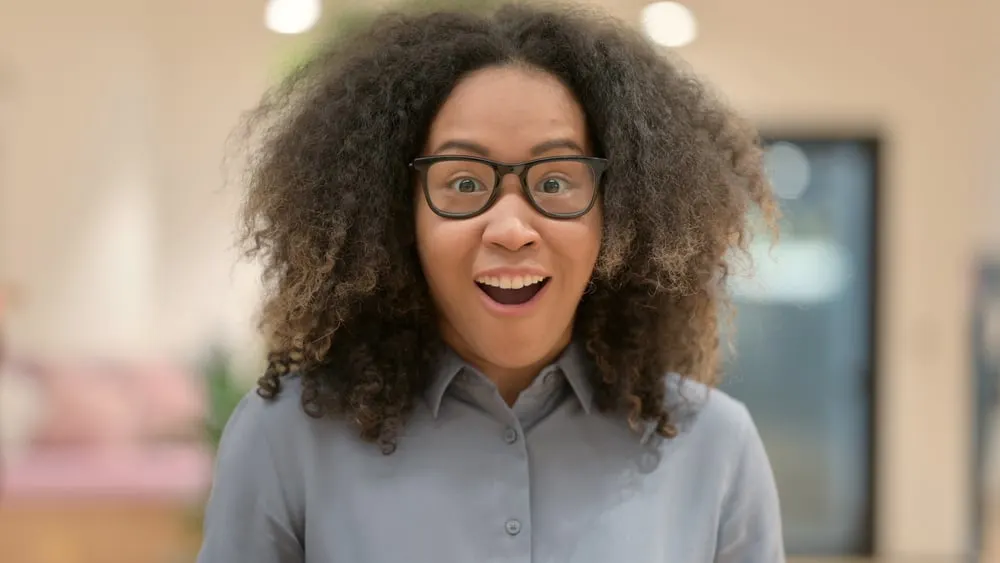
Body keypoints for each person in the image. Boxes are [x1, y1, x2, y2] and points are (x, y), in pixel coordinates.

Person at [198, 3, 783, 562]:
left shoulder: (715, 446)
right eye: (464, 182)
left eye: (556, 183)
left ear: (622, 214)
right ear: (399, 217)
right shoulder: (286, 440)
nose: (510, 228)